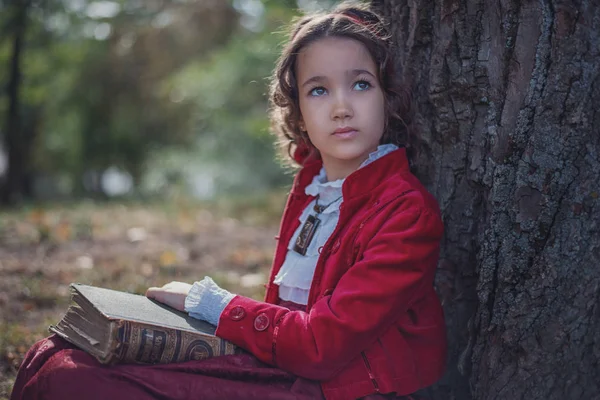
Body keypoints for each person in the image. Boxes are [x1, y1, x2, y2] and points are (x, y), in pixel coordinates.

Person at [10, 2, 446, 399]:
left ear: (388, 98)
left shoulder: (405, 212)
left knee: (74, 381)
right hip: (287, 368)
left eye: (361, 84)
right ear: (297, 110)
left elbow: (320, 347)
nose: (341, 107)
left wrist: (214, 304)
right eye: (318, 90)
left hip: (338, 388)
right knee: (55, 353)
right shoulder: (315, 189)